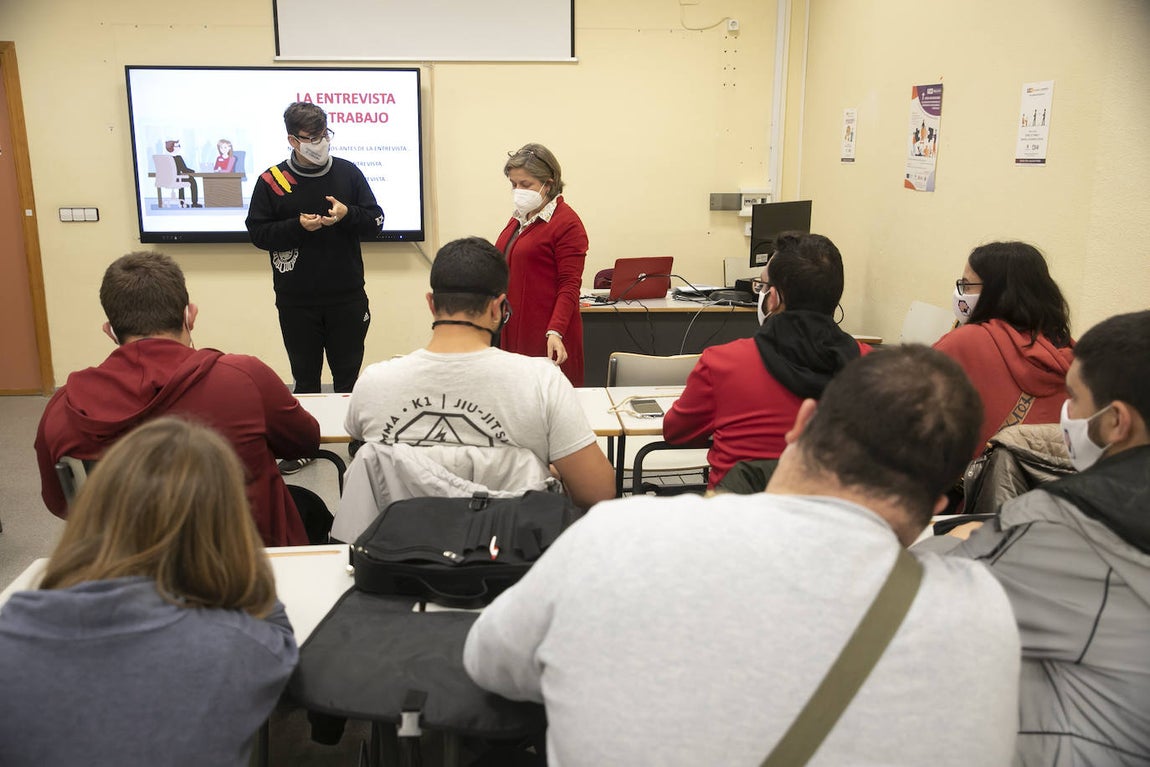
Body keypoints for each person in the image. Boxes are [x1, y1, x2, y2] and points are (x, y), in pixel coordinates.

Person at [464, 346, 1021, 766]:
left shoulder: (615, 535)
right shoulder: (985, 614)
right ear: (940, 505)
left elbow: (489, 661)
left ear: (801, 424)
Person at [1, 418, 298, 766]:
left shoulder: (13, 628)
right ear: (231, 526)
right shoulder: (245, 646)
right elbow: (274, 625)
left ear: (94, 510)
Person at [923, 310, 1150, 764]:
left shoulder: (1063, 524)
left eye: (1075, 398)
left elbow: (930, 605)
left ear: (1116, 422)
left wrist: (958, 540)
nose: (1066, 414)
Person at [34, 251, 320, 547]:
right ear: (189, 315)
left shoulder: (63, 408)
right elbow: (304, 442)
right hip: (245, 567)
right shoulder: (245, 377)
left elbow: (62, 503)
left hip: (126, 571)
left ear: (110, 331)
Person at [344, 236, 614, 510]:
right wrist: (544, 474)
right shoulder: (541, 382)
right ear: (499, 308)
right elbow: (597, 492)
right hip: (510, 548)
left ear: (431, 304)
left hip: (397, 548)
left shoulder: (373, 383)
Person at [663, 231, 870, 488]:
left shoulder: (723, 363)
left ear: (774, 298)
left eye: (762, 285)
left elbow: (676, 432)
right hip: (830, 519)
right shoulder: (871, 369)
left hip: (738, 519)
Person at [245, 101, 384, 405]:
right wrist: (296, 227)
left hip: (347, 297)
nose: (319, 144)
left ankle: (354, 440)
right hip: (296, 301)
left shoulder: (348, 173)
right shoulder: (272, 181)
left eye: (323, 135)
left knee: (347, 379)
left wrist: (348, 214)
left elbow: (376, 221)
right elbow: (257, 233)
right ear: (292, 140)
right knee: (305, 380)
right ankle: (306, 443)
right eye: (310, 138)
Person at [934, 240, 1074, 452]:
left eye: (966, 285)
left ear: (996, 292)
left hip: (972, 482)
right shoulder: (1073, 354)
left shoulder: (966, 342)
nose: (961, 293)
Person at [496, 143, 588, 386]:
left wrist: (555, 330)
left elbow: (569, 285)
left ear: (548, 184)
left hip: (546, 333)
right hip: (513, 326)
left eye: (525, 185)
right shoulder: (520, 217)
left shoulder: (567, 223)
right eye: (514, 184)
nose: (518, 191)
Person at [163, 138, 200, 207]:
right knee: (192, 180)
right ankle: (194, 203)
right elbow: (184, 170)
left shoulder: (165, 158)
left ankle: (182, 203)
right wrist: (194, 171)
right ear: (172, 148)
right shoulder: (178, 158)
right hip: (177, 178)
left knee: (181, 180)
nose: (179, 147)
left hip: (167, 180)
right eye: (178, 146)